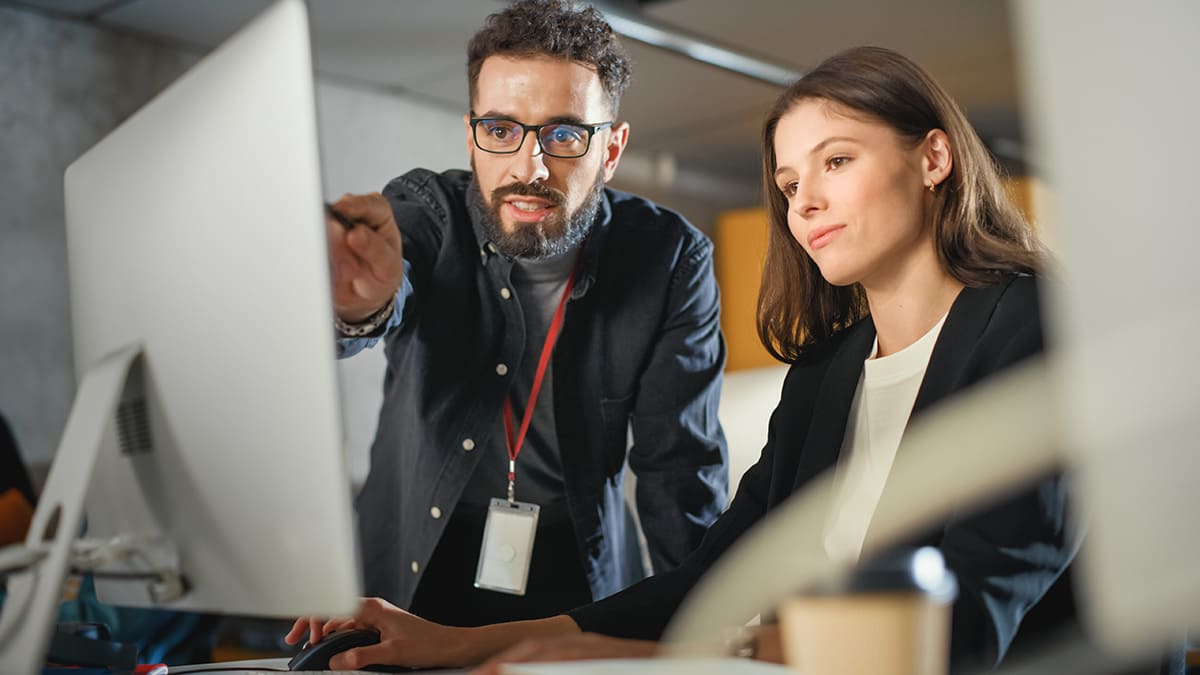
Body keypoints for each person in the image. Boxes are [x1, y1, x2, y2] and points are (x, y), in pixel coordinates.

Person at [287, 46, 1079, 673]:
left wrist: (653, 657)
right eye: (789, 179)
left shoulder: (1039, 327)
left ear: (934, 158)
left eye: (836, 162)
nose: (803, 202)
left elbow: (966, 625)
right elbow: (712, 575)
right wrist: (453, 642)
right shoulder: (827, 374)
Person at [320, 0, 729, 628]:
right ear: (472, 136)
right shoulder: (427, 213)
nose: (528, 168)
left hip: (577, 568)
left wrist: (711, 628)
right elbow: (383, 294)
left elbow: (680, 468)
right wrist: (357, 305)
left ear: (612, 150)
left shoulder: (670, 259)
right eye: (502, 130)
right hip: (416, 561)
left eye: (564, 134)